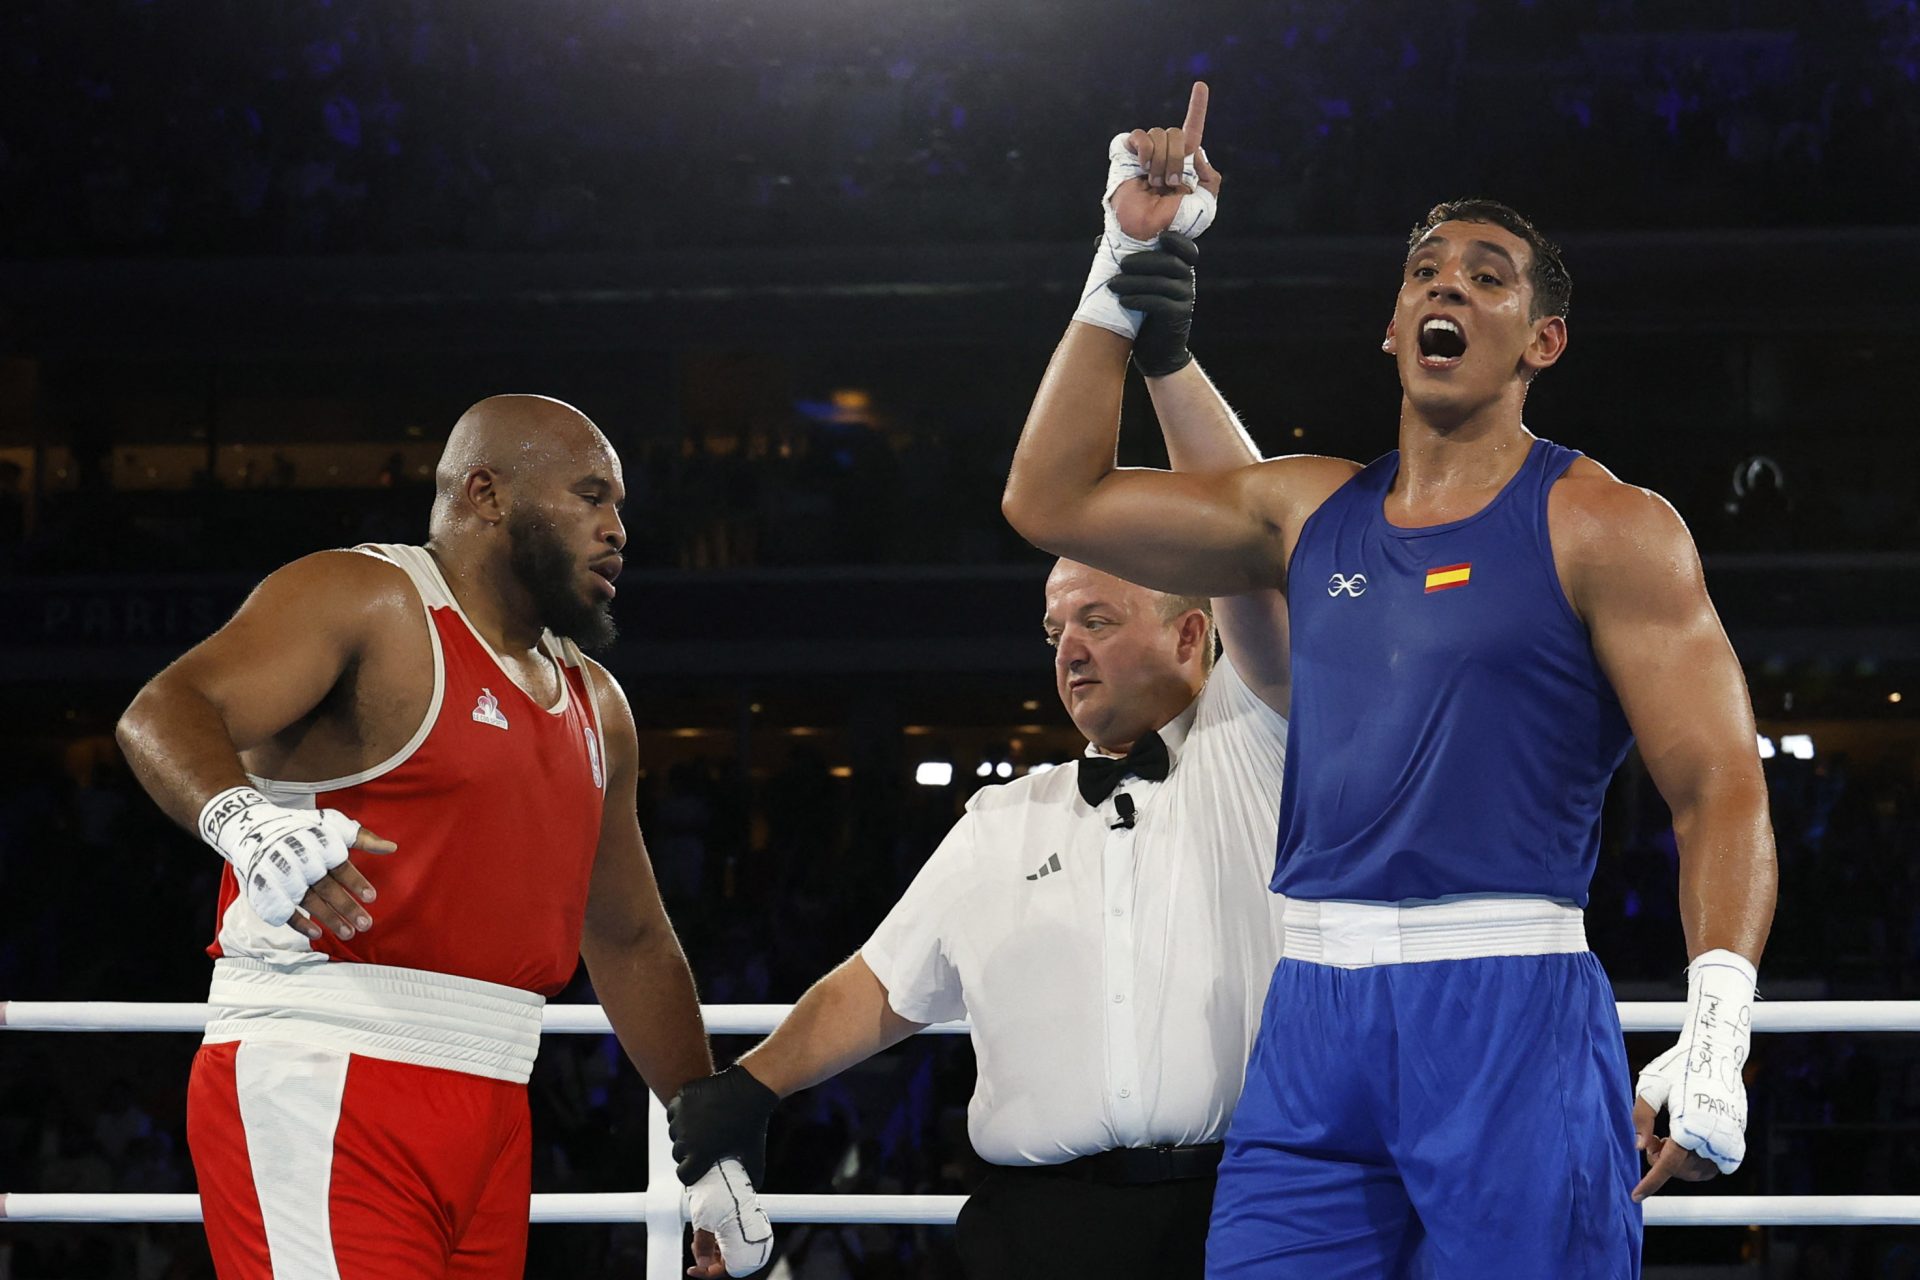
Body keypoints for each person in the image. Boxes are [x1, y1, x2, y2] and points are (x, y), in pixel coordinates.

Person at [1000, 83, 1778, 1278]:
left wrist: (1716, 1020)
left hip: (1509, 1003)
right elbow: (1049, 501)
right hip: (1313, 1010)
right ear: (1390, 324)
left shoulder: (1607, 526)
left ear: (1542, 340)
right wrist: (1122, 258)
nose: (1447, 286)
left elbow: (1719, 781)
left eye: (1486, 273)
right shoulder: (1310, 509)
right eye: (1424, 270)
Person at [115, 395, 767, 1279]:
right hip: (327, 1070)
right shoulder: (365, 597)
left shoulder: (597, 702)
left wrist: (708, 1148)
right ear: (488, 493)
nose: (617, 530)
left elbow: (629, 936)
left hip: (495, 1100)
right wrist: (249, 825)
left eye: (620, 508)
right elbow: (163, 709)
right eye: (590, 496)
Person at [667, 429, 1293, 1278]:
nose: (1068, 649)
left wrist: (1168, 367)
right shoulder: (1002, 819)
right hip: (1033, 1231)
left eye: (1097, 620)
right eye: (1055, 629)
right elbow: (882, 984)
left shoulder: (1257, 754)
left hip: (1231, 1213)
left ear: (1191, 638)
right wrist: (752, 1086)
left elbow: (1259, 543)